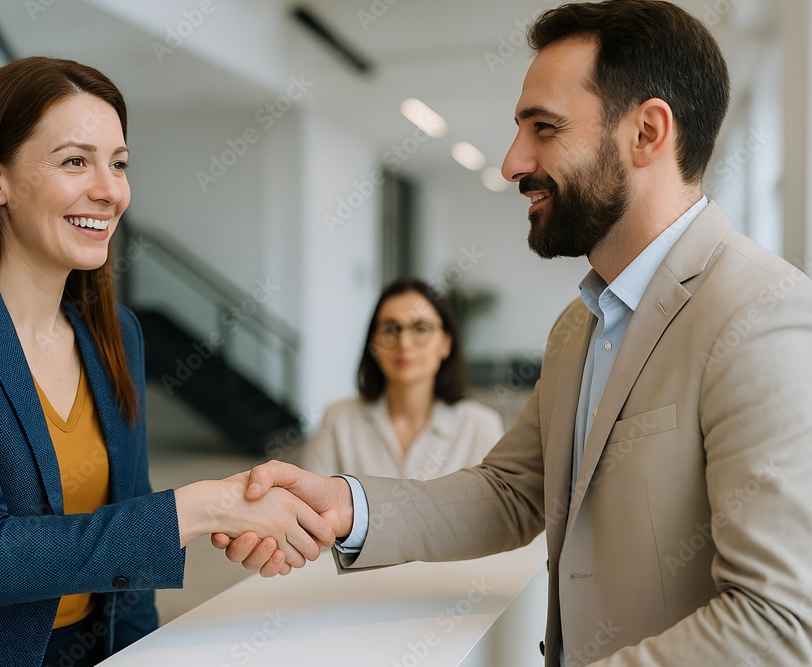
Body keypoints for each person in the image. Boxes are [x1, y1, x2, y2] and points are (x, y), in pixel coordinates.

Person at [216, 2, 812, 665]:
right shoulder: (579, 324)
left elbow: (779, 620)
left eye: (544, 128)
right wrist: (347, 506)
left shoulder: (763, 315)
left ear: (647, 132)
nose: (511, 162)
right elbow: (509, 491)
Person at [0, 57, 331, 667]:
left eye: (119, 163)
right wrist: (204, 506)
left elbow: (128, 535)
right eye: (75, 160)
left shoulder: (116, 335)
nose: (110, 189)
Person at [300, 277, 503, 479]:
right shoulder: (338, 419)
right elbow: (308, 502)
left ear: (445, 343)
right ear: (374, 344)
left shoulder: (481, 425)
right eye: (390, 329)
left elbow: (495, 509)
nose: (404, 343)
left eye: (421, 328)